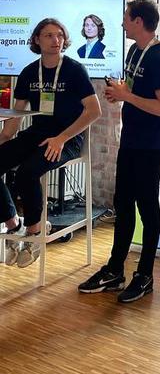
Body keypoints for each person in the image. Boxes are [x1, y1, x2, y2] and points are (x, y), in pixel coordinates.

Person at [78, 0, 160, 303]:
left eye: (126, 18)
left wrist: (127, 96)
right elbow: (132, 90)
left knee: (147, 207)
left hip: (151, 144)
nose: (121, 23)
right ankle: (115, 269)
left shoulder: (159, 58)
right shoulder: (134, 51)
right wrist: (119, 92)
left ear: (138, 22)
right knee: (122, 203)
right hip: (131, 139)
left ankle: (145, 275)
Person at [0, 18, 101, 268]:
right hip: (36, 134)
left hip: (67, 139)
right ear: (37, 40)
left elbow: (94, 111)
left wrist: (62, 138)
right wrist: (3, 138)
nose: (56, 40)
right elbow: (15, 119)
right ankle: (13, 224)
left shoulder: (75, 70)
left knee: (27, 173)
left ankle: (34, 233)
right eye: (48, 35)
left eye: (60, 35)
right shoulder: (28, 72)